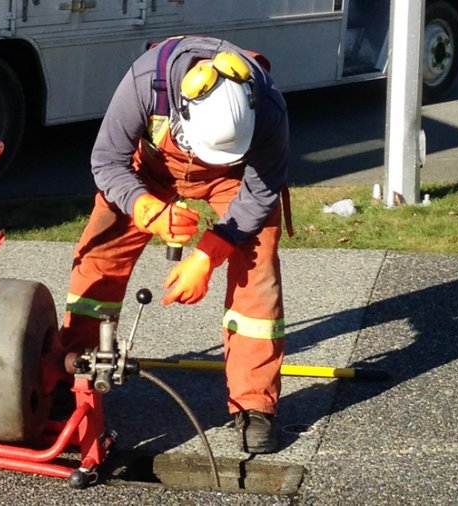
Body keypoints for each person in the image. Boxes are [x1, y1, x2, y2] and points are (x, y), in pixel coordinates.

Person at [58, 35, 290, 454]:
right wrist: (146, 209)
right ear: (181, 111)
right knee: (99, 256)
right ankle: (73, 373)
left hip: (232, 182)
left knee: (256, 269)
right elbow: (106, 160)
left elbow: (261, 191)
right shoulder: (146, 82)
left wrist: (209, 252)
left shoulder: (268, 108)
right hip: (148, 172)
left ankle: (254, 405)